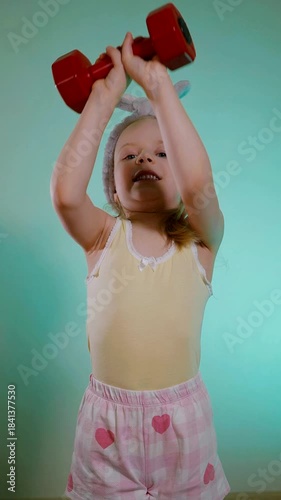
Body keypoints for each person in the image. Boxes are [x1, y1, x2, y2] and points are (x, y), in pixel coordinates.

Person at [51, 32, 231, 499]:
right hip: (106, 430)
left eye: (161, 152)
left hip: (183, 426)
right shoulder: (103, 239)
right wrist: (103, 99)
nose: (144, 157)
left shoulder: (201, 245)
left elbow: (198, 187)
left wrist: (159, 90)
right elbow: (68, 195)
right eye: (128, 156)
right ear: (112, 187)